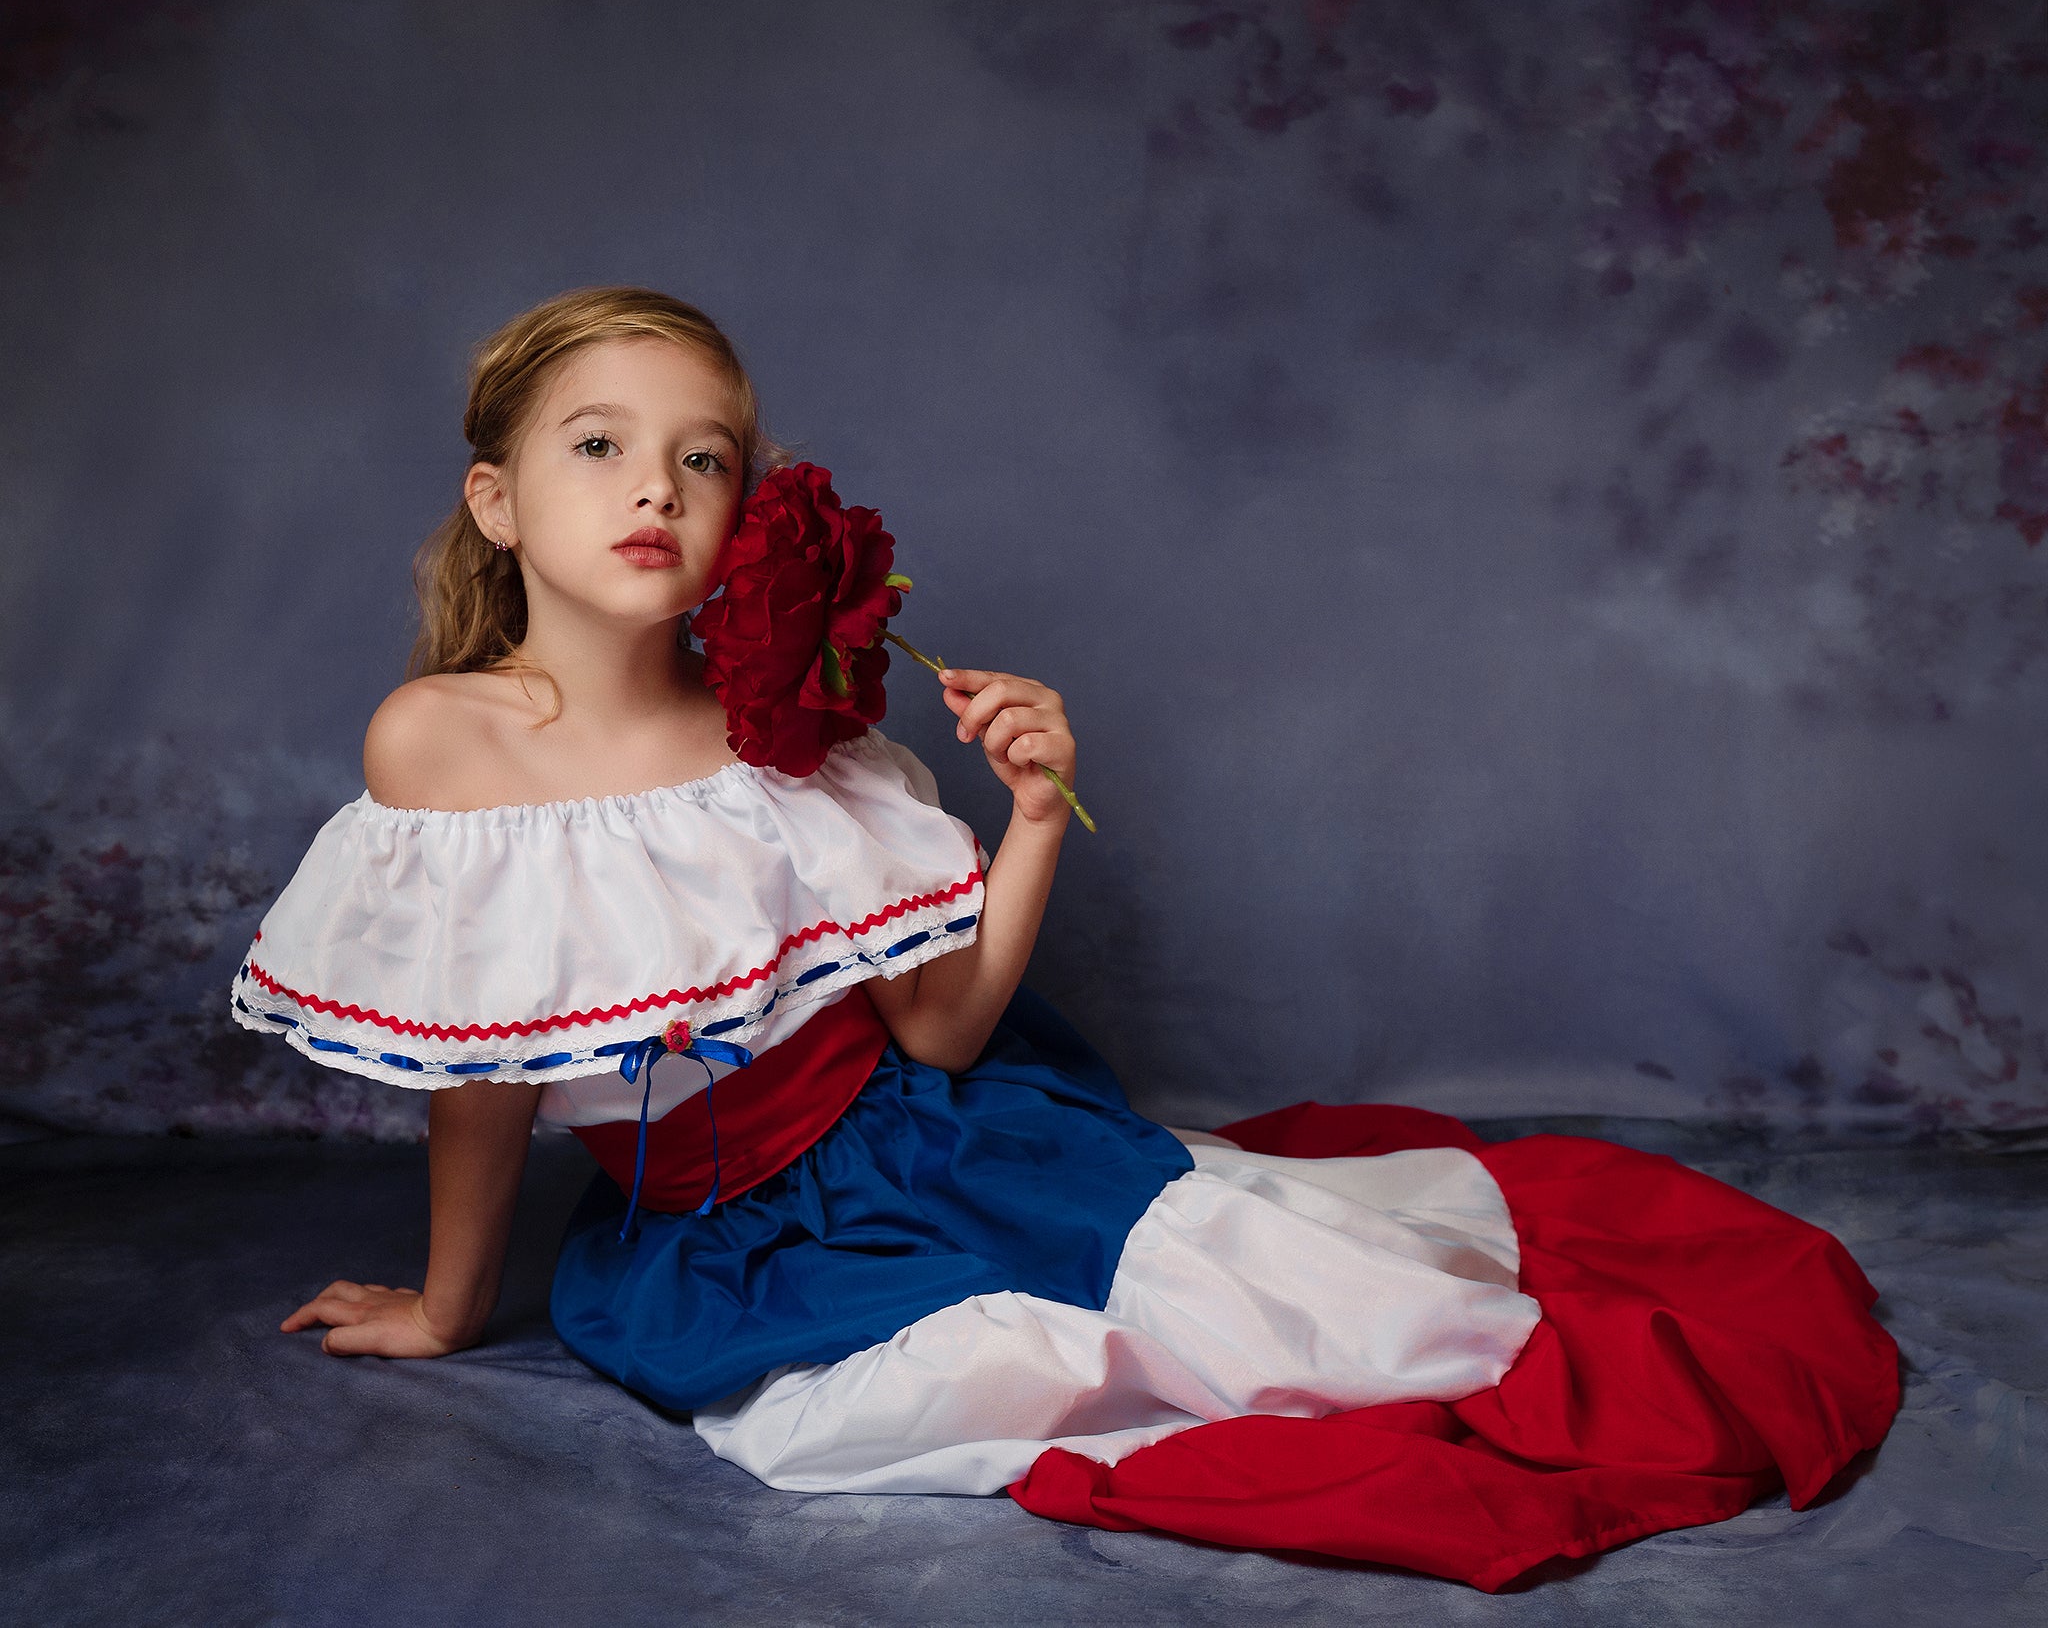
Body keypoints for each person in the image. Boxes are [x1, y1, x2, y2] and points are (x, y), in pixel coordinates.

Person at [239, 286, 1898, 1591]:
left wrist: (1033, 813)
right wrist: (452, 1305)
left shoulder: (780, 732)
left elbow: (938, 1035)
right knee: (924, 1406)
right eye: (599, 445)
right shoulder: (437, 744)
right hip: (707, 1238)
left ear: (747, 505)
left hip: (937, 1145)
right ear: (498, 498)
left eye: (706, 456)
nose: (656, 487)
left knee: (1347, 1338)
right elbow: (480, 1066)